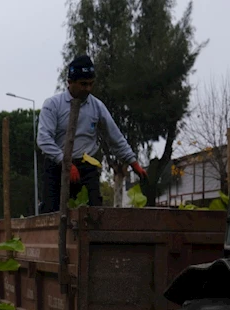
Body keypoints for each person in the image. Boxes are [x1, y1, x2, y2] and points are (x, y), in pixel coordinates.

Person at [37, 55, 148, 213]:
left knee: (94, 213)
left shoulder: (97, 106)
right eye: (83, 84)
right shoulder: (53, 105)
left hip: (86, 169)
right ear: (70, 82)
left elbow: (115, 138)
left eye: (91, 84)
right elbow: (43, 139)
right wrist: (65, 162)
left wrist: (133, 162)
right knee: (51, 214)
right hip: (57, 167)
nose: (88, 89)